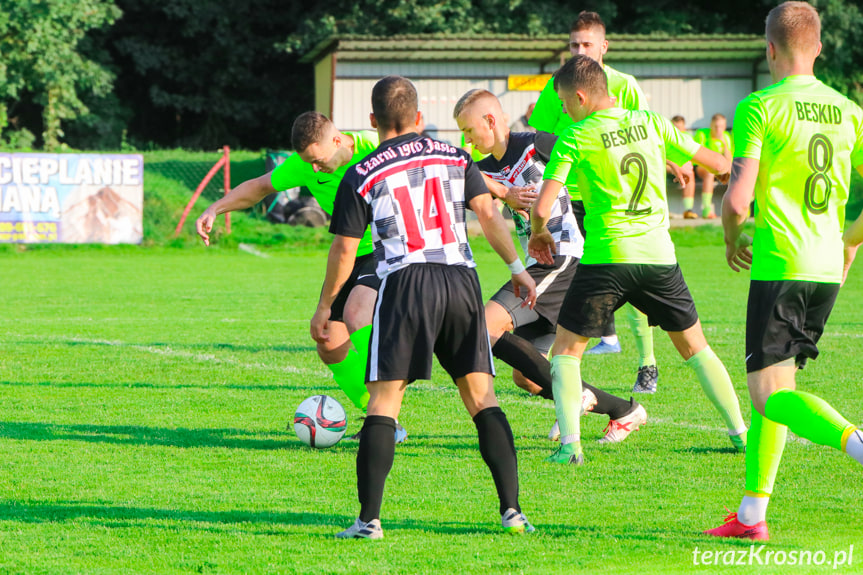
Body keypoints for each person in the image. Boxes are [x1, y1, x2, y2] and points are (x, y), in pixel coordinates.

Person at [314, 75, 538, 539]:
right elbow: (489, 214)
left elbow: (344, 251)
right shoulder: (456, 156)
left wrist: (326, 306)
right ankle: (513, 512)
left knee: (385, 402)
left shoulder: (362, 171)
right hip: (461, 279)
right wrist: (517, 267)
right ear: (419, 118)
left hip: (406, 282)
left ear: (373, 120)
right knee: (482, 399)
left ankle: (368, 521)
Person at [528, 55, 748, 464]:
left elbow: (542, 206)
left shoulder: (576, 135)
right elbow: (719, 164)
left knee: (565, 351)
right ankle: (740, 434)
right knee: (695, 348)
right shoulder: (651, 121)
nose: (562, 110)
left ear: (579, 96)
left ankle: (569, 447)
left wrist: (539, 234)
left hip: (608, 257)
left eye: (563, 102)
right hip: (659, 256)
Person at [704, 1, 863, 541]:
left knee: (769, 396)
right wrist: (849, 241)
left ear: (769, 49)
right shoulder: (849, 111)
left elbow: (736, 201)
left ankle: (856, 441)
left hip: (782, 263)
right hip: (826, 267)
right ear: (818, 47)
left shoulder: (760, 106)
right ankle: (752, 514)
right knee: (778, 386)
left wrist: (731, 238)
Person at [195, 112, 407, 443]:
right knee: (329, 343)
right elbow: (259, 187)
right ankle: (380, 418)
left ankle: (384, 416)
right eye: (309, 163)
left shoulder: (375, 146)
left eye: (319, 161)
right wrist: (215, 209)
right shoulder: (304, 164)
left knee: (356, 313)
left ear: (337, 141)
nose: (315, 169)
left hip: (391, 248)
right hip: (349, 252)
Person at [455, 88, 647, 445]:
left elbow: (592, 148)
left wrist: (665, 162)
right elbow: (466, 189)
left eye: (469, 131)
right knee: (526, 379)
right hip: (536, 265)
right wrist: (504, 193)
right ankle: (623, 409)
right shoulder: (481, 170)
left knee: (482, 325)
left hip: (563, 257)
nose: (467, 140)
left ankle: (575, 399)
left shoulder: (536, 142)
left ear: (491, 121)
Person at [530, 10, 660, 395]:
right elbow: (541, 138)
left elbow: (644, 131)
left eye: (587, 44)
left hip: (611, 196)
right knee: (566, 279)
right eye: (573, 44)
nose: (579, 50)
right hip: (567, 197)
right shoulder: (558, 85)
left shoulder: (626, 84)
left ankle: (647, 365)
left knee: (634, 279)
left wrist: (670, 163)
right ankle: (565, 371)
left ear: (604, 46)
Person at [691, 114, 733, 219]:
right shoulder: (702, 134)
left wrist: (725, 146)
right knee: (710, 173)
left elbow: (730, 160)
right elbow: (698, 156)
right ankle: (706, 208)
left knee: (738, 173)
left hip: (721, 169)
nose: (718, 129)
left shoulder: (726, 137)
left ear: (724, 126)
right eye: (716, 126)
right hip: (703, 168)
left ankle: (735, 209)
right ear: (711, 125)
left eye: (721, 126)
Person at [669, 116, 697, 217]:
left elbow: (690, 157)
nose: (677, 131)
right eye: (674, 127)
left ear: (684, 128)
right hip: (667, 167)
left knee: (690, 173)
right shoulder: (666, 138)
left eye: (679, 128)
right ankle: (664, 209)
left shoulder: (687, 138)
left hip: (681, 166)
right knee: (659, 171)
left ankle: (688, 210)